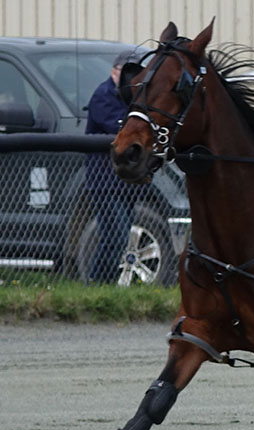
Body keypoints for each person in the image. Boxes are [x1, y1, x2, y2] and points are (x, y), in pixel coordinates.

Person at [85, 49, 141, 284]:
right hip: (104, 182)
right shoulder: (103, 94)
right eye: (124, 72)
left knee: (120, 235)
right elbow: (121, 129)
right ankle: (97, 282)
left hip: (127, 182)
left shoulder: (136, 97)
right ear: (114, 71)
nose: (129, 78)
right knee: (115, 236)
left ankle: (102, 284)